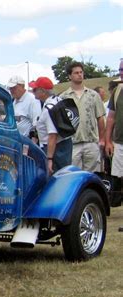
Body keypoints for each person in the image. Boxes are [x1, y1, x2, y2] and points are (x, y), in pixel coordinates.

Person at [60, 62, 106, 172]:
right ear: (70, 76)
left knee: (93, 176)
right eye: (76, 73)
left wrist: (102, 139)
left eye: (81, 72)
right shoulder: (63, 97)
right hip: (73, 144)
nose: (79, 75)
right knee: (73, 176)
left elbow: (100, 118)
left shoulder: (93, 95)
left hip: (91, 142)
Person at [31, 77, 72, 174]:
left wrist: (49, 159)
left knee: (56, 178)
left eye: (35, 89)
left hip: (54, 150)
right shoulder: (58, 100)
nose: (33, 92)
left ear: (42, 91)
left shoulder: (48, 110)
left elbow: (52, 135)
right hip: (64, 145)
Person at [105, 59, 123, 208]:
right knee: (120, 178)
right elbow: (110, 117)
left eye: (122, 70)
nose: (121, 73)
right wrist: (108, 140)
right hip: (120, 142)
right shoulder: (117, 91)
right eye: (120, 70)